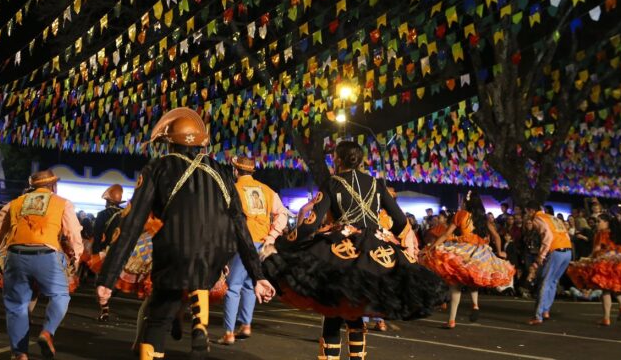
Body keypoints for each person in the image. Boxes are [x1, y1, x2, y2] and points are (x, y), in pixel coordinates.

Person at [95, 107, 275, 360]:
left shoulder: (157, 168)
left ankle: (165, 336)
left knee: (158, 317)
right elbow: (239, 224)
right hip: (216, 254)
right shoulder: (220, 171)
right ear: (201, 144)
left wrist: (108, 277)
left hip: (176, 250)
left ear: (168, 142)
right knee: (196, 276)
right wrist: (258, 275)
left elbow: (132, 224)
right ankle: (199, 324)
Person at [264, 141, 446, 360]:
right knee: (356, 305)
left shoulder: (332, 183)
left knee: (333, 306)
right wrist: (388, 237)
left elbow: (311, 224)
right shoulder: (377, 184)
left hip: (340, 250)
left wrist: (283, 244)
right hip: (375, 252)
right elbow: (399, 220)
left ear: (338, 160)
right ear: (360, 161)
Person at [0, 170, 83, 360]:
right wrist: (77, 257)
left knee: (17, 306)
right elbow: (73, 233)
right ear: (53, 186)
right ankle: (47, 332)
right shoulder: (62, 203)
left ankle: (20, 354)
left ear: (32, 187)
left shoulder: (15, 203)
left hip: (15, 256)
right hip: (46, 254)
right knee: (60, 295)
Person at [217, 156, 288, 345]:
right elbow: (282, 213)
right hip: (261, 245)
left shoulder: (233, 190)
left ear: (235, 170)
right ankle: (245, 325)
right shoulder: (266, 190)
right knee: (250, 284)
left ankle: (228, 333)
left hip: (242, 243)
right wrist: (272, 236)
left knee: (233, 287)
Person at [422, 191, 514, 328]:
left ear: (466, 202)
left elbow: (446, 234)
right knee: (474, 277)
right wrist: (500, 251)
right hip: (480, 252)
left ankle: (451, 320)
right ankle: (475, 305)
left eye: (463, 201)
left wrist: (432, 247)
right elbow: (496, 237)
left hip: (463, 250)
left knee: (455, 284)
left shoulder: (461, 214)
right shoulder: (483, 218)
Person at [526, 203, 573, 325]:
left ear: (531, 210)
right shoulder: (553, 218)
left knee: (545, 282)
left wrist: (541, 256)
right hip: (567, 250)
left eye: (526, 212)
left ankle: (538, 315)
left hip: (555, 250)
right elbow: (566, 234)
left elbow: (548, 236)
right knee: (553, 281)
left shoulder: (537, 218)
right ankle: (546, 310)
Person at [91, 184, 125, 254]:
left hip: (107, 251)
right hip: (122, 250)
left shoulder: (102, 214)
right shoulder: (126, 212)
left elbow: (97, 236)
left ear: (108, 201)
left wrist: (95, 253)